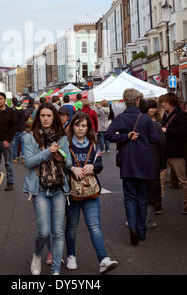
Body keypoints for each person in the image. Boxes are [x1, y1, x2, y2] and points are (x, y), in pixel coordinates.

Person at [65, 112, 118, 274]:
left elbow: (100, 165)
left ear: (88, 128)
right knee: (72, 226)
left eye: (83, 126)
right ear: (72, 126)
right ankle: (71, 256)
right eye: (77, 125)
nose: (80, 128)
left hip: (91, 191)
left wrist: (93, 167)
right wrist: (72, 168)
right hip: (72, 192)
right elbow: (61, 165)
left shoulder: (94, 145)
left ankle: (103, 259)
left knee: (95, 226)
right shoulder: (65, 145)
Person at [105, 88, 159, 245]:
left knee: (129, 197)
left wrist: (125, 136)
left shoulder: (121, 118)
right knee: (142, 197)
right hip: (144, 161)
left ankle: (133, 228)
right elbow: (154, 138)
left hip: (128, 161)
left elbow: (108, 135)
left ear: (125, 101)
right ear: (137, 101)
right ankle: (142, 230)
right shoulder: (145, 119)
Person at [23, 103, 72, 276]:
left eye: (49, 116)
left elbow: (70, 162)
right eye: (42, 115)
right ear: (38, 118)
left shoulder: (62, 137)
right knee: (43, 231)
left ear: (54, 118)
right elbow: (28, 162)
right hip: (40, 189)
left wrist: (62, 158)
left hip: (59, 188)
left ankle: (56, 270)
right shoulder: (29, 137)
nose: (45, 119)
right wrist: (48, 153)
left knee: (58, 232)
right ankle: (37, 255)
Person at [161, 92, 187, 214]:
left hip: (177, 153)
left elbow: (183, 132)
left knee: (183, 180)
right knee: (160, 178)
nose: (163, 104)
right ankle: (158, 203)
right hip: (166, 152)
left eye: (165, 102)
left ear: (171, 102)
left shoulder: (180, 115)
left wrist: (166, 130)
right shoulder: (165, 115)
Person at [142, 99, 167, 224]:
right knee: (153, 185)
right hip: (154, 159)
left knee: (144, 187)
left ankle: (144, 215)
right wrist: (163, 163)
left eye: (153, 108)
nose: (152, 110)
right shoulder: (156, 125)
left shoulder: (141, 123)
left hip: (143, 160)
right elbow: (162, 144)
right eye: (150, 108)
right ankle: (149, 216)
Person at [0, 92, 17, 192]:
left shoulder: (11, 112)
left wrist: (7, 140)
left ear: (5, 100)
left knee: (8, 163)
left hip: (7, 141)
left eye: (1, 99)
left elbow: (13, 127)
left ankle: (10, 183)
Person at [12, 99, 27, 164]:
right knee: (23, 144)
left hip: (15, 130)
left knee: (15, 144)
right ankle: (23, 157)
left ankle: (15, 158)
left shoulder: (13, 112)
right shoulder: (23, 111)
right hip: (23, 129)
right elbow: (26, 119)